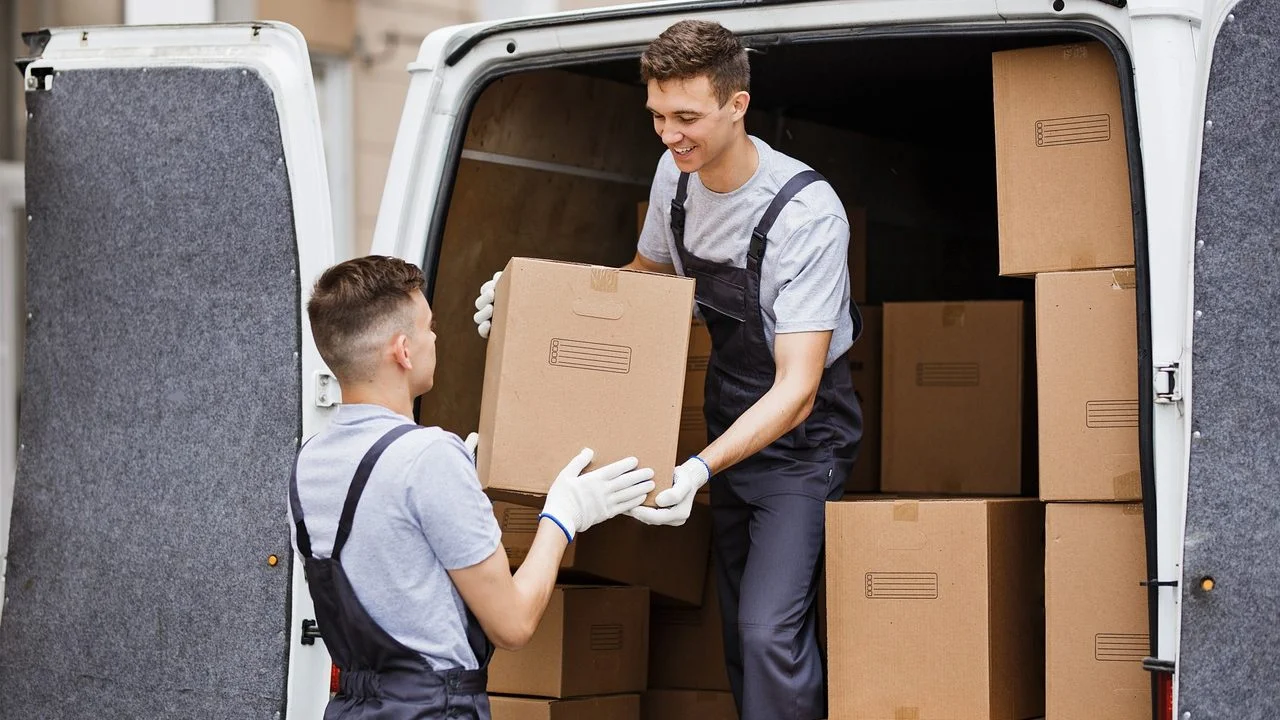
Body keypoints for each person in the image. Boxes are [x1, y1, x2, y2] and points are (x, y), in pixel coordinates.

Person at [472, 19, 861, 720]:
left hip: (802, 448)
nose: (669, 134)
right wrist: (530, 307)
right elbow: (642, 284)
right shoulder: (674, 176)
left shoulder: (808, 216)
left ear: (736, 105)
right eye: (657, 115)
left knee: (768, 632)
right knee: (742, 633)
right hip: (728, 426)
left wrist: (696, 472)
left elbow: (799, 388)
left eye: (687, 117)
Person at [291, 255, 656, 719]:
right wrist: (563, 517)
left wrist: (460, 493)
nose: (435, 338)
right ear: (403, 351)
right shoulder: (429, 458)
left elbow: (399, 575)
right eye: (429, 327)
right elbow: (514, 624)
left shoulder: (308, 463)